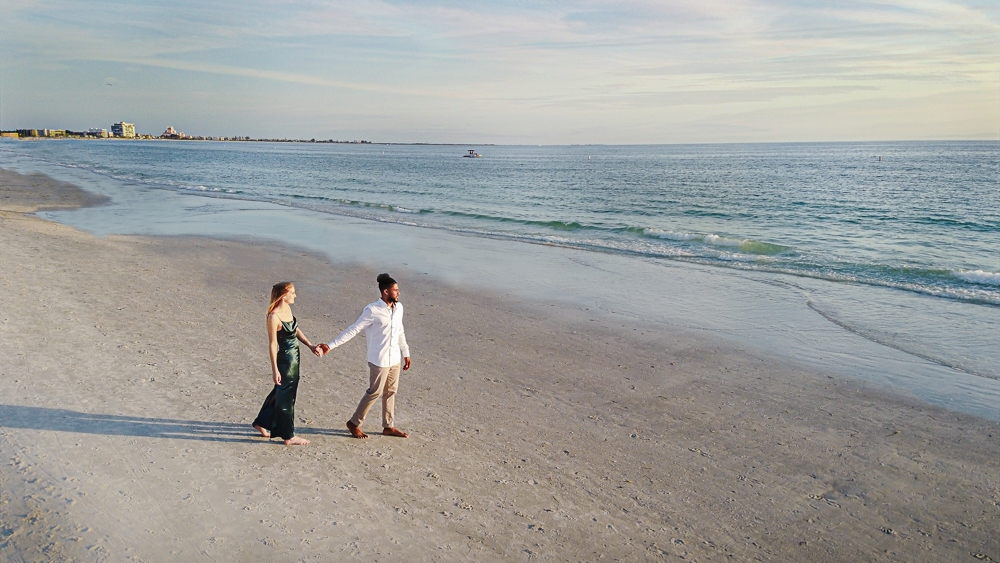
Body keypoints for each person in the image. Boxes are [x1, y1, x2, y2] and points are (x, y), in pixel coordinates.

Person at [321, 273, 411, 439]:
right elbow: (354, 329)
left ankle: (388, 426)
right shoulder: (372, 310)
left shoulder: (399, 308)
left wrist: (405, 352)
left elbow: (400, 331)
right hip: (379, 360)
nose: (398, 293)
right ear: (385, 292)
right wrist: (330, 345)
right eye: (395, 290)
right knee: (374, 392)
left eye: (398, 290)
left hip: (395, 359)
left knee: (391, 391)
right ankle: (354, 423)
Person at [252, 282, 324, 445]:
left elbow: (295, 329)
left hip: (295, 357)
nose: (295, 295)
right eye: (293, 292)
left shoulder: (288, 309)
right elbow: (272, 344)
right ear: (284, 295)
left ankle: (260, 422)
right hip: (285, 360)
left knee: (280, 393)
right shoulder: (274, 316)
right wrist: (274, 370)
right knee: (286, 398)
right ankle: (288, 436)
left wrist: (310, 345)